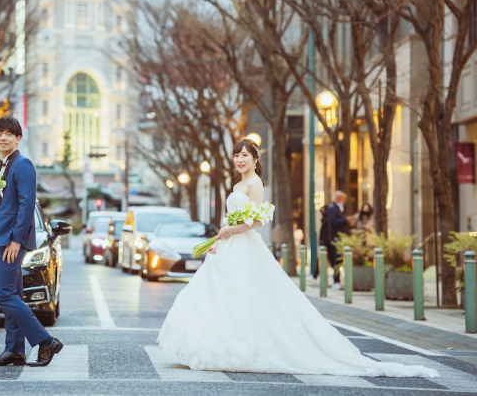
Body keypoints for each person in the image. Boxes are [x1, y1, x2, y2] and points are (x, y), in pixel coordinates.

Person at [156, 138, 438, 378]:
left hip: (244, 245)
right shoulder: (238, 185)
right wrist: (221, 238)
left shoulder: (255, 184)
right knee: (220, 294)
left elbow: (256, 222)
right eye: (237, 155)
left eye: (245, 155)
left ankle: (242, 345)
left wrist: (229, 229)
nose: (240, 160)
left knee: (246, 295)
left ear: (255, 160)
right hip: (230, 245)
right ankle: (214, 343)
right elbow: (236, 218)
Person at [0, 116, 62, 368]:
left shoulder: (23, 164)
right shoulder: (5, 165)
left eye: (8, 133)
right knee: (13, 293)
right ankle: (14, 350)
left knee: (3, 294)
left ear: (18, 138)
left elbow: (27, 205)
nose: (2, 137)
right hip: (0, 236)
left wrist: (17, 240)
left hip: (10, 240)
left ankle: (46, 341)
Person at [323, 191, 353, 289]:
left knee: (339, 259)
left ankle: (338, 280)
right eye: (343, 199)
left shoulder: (340, 208)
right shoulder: (332, 208)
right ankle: (336, 280)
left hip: (341, 237)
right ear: (339, 198)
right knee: (336, 259)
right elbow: (332, 221)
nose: (344, 201)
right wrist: (345, 220)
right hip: (336, 237)